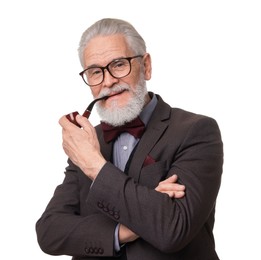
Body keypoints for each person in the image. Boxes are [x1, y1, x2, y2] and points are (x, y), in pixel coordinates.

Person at [36, 18, 223, 260]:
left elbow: (172, 229)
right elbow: (50, 231)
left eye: (118, 64)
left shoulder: (197, 131)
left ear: (146, 66)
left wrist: (95, 166)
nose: (108, 80)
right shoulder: (89, 142)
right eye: (95, 71)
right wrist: (123, 230)